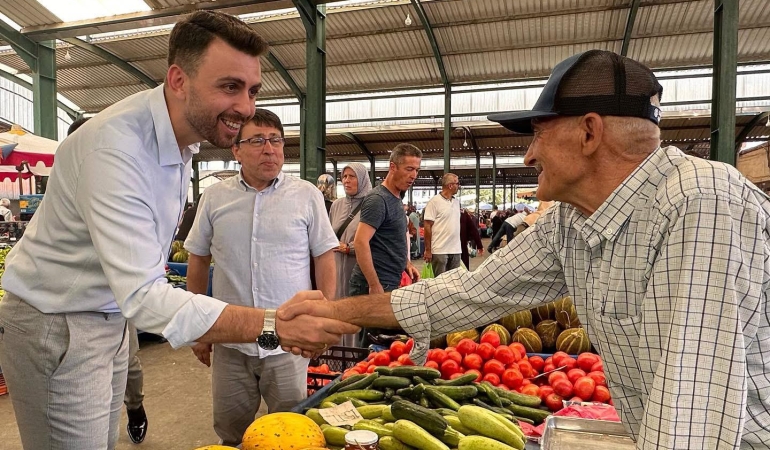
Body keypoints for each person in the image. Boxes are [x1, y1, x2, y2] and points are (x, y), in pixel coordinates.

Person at [279, 50, 770, 449]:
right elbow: (463, 294)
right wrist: (338, 312)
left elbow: (690, 414)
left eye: (538, 134)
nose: (530, 154)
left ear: (590, 131)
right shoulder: (571, 222)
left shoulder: (698, 203)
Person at [0, 11, 357, 449]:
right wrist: (271, 324)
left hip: (107, 317)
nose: (245, 108)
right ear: (178, 79)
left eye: (252, 90)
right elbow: (145, 294)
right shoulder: (116, 147)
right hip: (60, 321)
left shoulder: (179, 142)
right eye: (229, 86)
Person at [184, 108, 337, 446]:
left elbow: (325, 258)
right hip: (230, 340)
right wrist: (198, 328)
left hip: (288, 342)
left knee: (292, 430)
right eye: (257, 141)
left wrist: (325, 320)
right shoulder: (214, 197)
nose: (270, 149)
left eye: (276, 140)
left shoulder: (307, 195)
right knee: (231, 430)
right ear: (236, 150)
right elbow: (198, 260)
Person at [66, 115, 150, 443]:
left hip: (119, 295)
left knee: (128, 364)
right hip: (77, 303)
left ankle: (136, 407)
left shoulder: (121, 186)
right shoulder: (67, 188)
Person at [349, 143, 421, 344]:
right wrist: (374, 285)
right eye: (409, 169)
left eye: (416, 170)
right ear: (392, 167)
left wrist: (406, 263)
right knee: (371, 346)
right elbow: (361, 242)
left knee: (381, 343)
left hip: (389, 280)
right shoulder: (378, 200)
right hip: (373, 284)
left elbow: (390, 238)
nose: (414, 175)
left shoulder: (397, 197)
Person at [329, 163, 372, 347]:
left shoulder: (372, 204)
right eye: (344, 176)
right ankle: (337, 354)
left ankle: (355, 352)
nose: (346, 180)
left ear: (362, 179)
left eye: (352, 176)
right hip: (336, 266)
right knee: (337, 305)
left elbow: (373, 240)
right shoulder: (337, 205)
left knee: (355, 307)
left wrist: (349, 248)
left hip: (358, 267)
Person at [423, 173, 462, 276]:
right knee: (440, 284)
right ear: (450, 185)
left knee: (454, 282)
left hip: (456, 249)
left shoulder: (456, 202)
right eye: (457, 183)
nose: (459, 186)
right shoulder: (434, 202)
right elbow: (427, 226)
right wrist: (428, 250)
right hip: (439, 250)